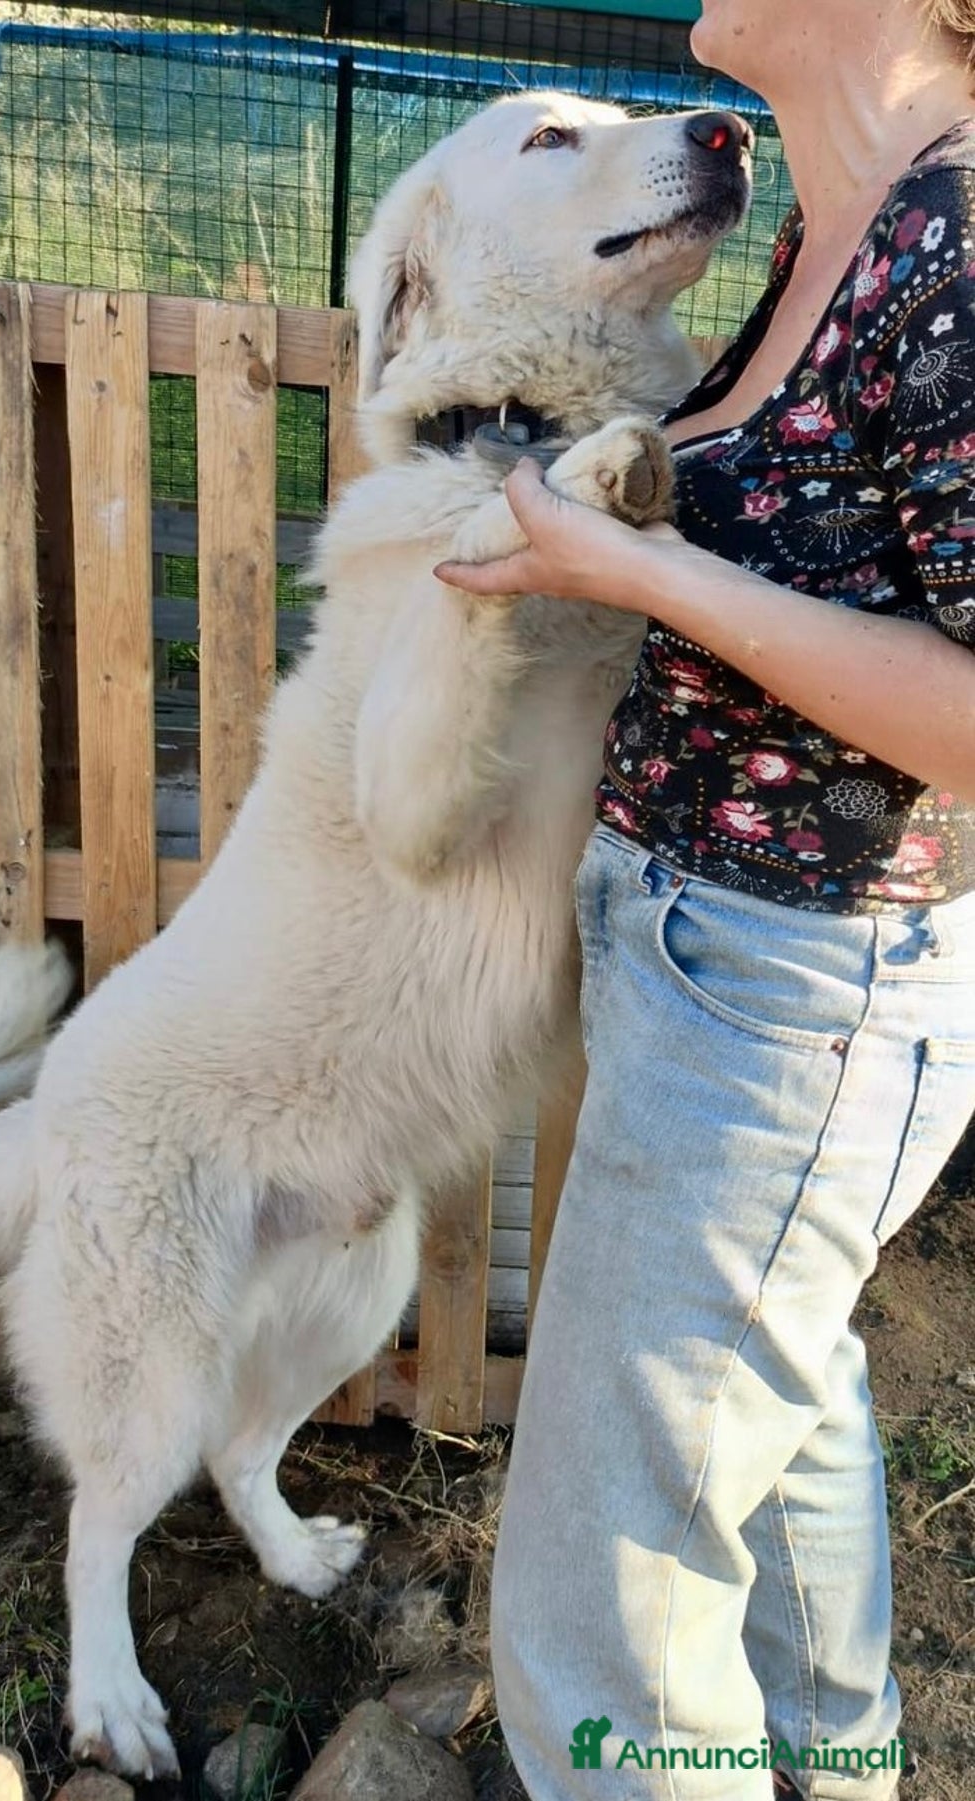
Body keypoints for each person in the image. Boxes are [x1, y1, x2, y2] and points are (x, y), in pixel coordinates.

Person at [435, 3, 975, 1797]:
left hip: (792, 992)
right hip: (716, 954)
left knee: (605, 1614)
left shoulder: (959, 242)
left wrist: (643, 576)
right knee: (784, 1411)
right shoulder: (841, 220)